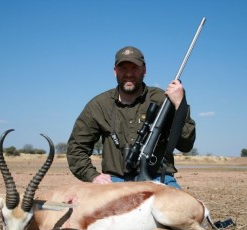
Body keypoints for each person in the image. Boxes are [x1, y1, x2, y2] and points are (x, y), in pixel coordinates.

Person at [67, 46, 196, 188]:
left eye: (134, 68)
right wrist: (93, 176)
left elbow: (186, 144)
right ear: (115, 71)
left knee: (181, 208)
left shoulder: (163, 99)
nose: (129, 74)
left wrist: (180, 105)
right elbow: (76, 149)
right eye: (123, 68)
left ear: (144, 70)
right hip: (116, 180)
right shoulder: (98, 105)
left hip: (160, 179)